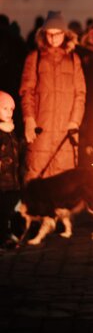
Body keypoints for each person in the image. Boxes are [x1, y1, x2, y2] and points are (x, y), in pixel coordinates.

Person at [20, 11, 86, 182]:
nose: (53, 38)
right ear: (43, 34)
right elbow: (27, 91)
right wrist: (29, 119)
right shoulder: (34, 58)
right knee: (36, 177)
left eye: (57, 34)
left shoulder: (73, 59)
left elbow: (80, 93)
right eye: (49, 34)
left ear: (65, 34)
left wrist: (75, 121)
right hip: (41, 129)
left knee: (64, 182)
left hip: (65, 130)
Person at [0, 91, 22, 249]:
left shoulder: (11, 130)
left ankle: (7, 234)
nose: (9, 112)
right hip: (1, 181)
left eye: (11, 109)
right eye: (4, 108)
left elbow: (15, 151)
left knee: (8, 210)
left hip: (12, 180)